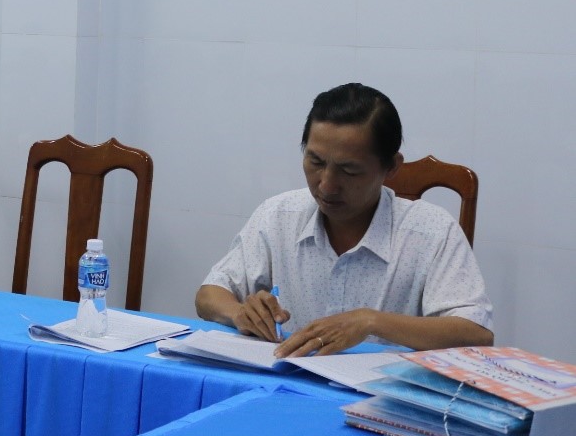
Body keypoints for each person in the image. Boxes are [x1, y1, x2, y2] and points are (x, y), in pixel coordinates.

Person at [195, 82, 493, 356]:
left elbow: (475, 333)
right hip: (288, 381)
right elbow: (209, 295)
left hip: (379, 391)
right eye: (316, 162)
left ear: (391, 167)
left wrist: (370, 321)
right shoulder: (278, 216)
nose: (326, 185)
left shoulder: (431, 231)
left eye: (349, 171)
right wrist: (240, 313)